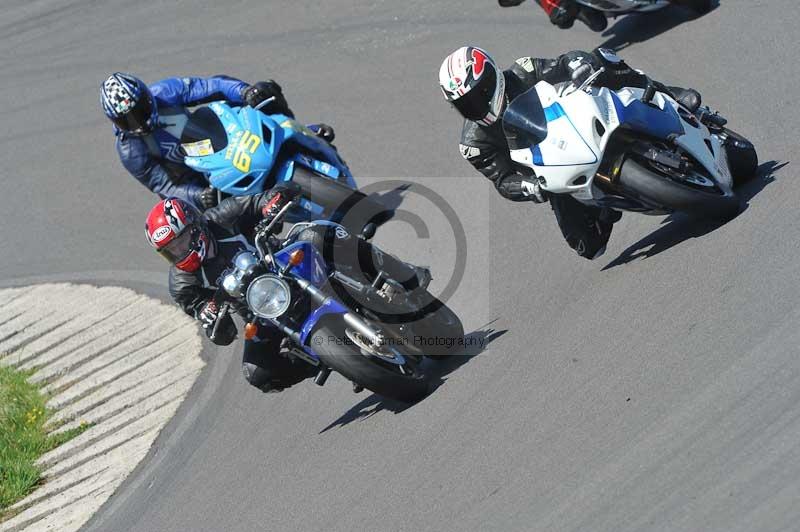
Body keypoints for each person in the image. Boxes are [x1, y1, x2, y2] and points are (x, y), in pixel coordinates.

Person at [144, 186, 430, 393]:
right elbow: (221, 332)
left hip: (287, 265)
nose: (179, 253)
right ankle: (336, 359)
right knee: (256, 373)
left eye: (180, 243)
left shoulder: (221, 217)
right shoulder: (182, 283)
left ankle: (400, 273)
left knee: (319, 232)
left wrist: (272, 202)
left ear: (194, 227)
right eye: (170, 251)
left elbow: (260, 200)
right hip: (263, 311)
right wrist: (210, 316)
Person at [439, 46, 702, 259]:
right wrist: (528, 187)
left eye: (479, 94)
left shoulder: (523, 70)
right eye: (465, 104)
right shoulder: (474, 144)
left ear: (492, 75)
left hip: (575, 121)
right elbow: (502, 180)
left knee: (603, 60)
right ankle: (605, 206)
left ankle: (670, 96)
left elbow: (563, 62)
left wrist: (577, 64)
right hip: (552, 168)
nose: (476, 105)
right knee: (589, 246)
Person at [101, 73, 335, 211]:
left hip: (219, 141)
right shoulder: (131, 151)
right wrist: (199, 196)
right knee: (219, 226)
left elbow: (212, 86)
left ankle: (302, 134)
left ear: (146, 96)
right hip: (203, 181)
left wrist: (245, 92)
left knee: (265, 91)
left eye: (139, 110)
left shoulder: (164, 92)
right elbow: (164, 187)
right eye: (127, 120)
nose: (138, 122)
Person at [498, 0, 608, 32]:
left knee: (599, 24)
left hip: (563, 11)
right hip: (562, 9)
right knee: (599, 24)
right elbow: (504, 2)